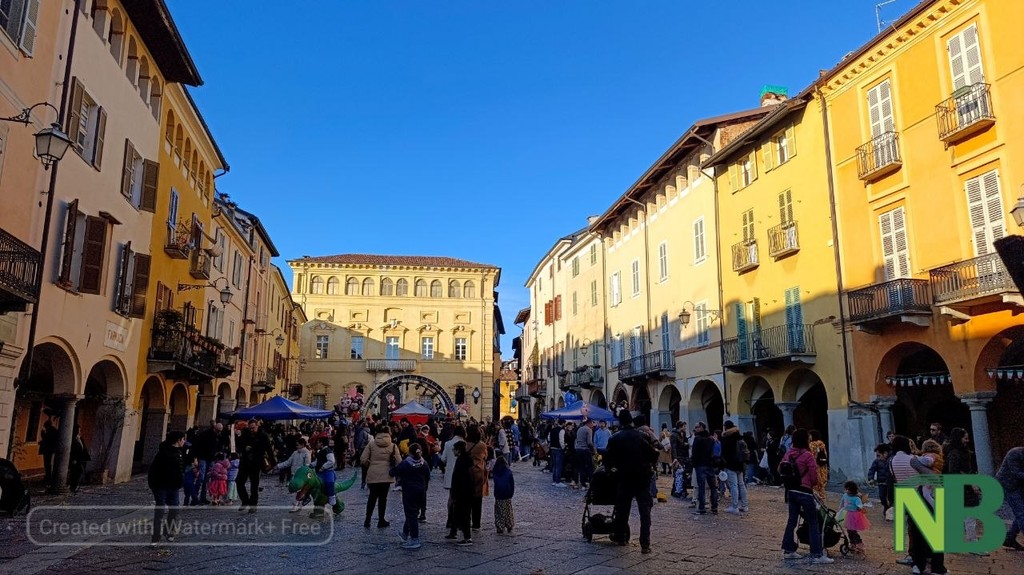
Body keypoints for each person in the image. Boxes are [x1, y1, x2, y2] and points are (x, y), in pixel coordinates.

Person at [604, 410, 659, 554]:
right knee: (644, 510)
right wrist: (649, 465)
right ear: (631, 420)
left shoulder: (615, 438)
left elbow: (608, 459)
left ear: (620, 422)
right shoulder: (642, 436)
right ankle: (645, 544)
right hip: (642, 476)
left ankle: (620, 537)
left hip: (624, 477)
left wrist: (612, 471)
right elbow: (654, 453)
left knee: (622, 509)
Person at [891, 434, 945, 574]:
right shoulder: (913, 459)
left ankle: (917, 564)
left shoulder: (892, 461)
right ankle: (936, 566)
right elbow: (931, 476)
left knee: (915, 534)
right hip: (921, 497)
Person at [779, 428, 833, 565]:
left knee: (792, 521)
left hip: (791, 491)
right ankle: (816, 554)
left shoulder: (788, 453)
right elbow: (814, 477)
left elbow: (780, 469)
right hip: (805, 491)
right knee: (813, 522)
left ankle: (788, 550)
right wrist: (811, 483)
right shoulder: (808, 455)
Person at [361, 422, 401, 529]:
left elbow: (363, 459)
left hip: (373, 473)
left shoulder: (371, 444)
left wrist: (371, 465)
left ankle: (367, 520)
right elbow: (399, 461)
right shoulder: (393, 446)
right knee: (383, 498)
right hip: (386, 475)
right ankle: (381, 520)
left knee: (372, 497)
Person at [148, 431, 185, 544]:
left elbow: (179, 470)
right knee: (160, 511)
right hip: (161, 486)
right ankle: (156, 537)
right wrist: (154, 486)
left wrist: (179, 482)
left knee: (174, 510)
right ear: (178, 440)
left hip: (173, 487)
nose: (184, 441)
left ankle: (167, 531)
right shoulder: (163, 453)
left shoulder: (178, 452)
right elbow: (153, 470)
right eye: (183, 439)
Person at [391, 442, 429, 549]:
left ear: (409, 452)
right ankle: (405, 533)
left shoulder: (406, 463)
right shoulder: (424, 463)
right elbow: (428, 476)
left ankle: (414, 539)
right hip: (421, 491)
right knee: (413, 513)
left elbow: (394, 472)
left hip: (409, 491)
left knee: (411, 514)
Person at [235, 419, 275, 514]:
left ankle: (253, 505)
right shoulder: (245, 433)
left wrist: (273, 463)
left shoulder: (263, 435)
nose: (251, 430)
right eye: (250, 428)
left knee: (254, 485)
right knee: (239, 482)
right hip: (245, 462)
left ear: (257, 426)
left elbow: (269, 449)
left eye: (253, 428)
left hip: (256, 463)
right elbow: (239, 446)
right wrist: (244, 447)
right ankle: (245, 500)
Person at [996, 446, 1024, 551]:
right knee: (1021, 513)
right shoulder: (1014, 453)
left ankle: (1010, 538)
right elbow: (1016, 472)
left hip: (1019, 486)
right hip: (1008, 485)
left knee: (1020, 513)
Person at [446, 441, 474, 545]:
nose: (453, 451)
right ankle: (458, 533)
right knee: (461, 513)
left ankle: (466, 537)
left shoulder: (461, 461)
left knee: (463, 514)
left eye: (454, 449)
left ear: (458, 450)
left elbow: (458, 478)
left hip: (462, 492)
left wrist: (454, 493)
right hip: (466, 492)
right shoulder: (466, 460)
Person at [274, 436, 312, 511]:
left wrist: (305, 474)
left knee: (298, 490)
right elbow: (288, 462)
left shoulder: (307, 453)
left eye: (298, 445)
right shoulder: (295, 453)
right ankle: (302, 501)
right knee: (296, 490)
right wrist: (278, 466)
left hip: (301, 475)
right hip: (294, 474)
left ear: (302, 445)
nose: (296, 446)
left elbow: (307, 465)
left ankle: (296, 504)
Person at [720, 420, 748, 514]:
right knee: (741, 485)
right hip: (740, 464)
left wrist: (723, 463)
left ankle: (735, 506)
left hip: (730, 464)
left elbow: (724, 452)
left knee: (733, 486)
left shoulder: (726, 438)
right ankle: (744, 505)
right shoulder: (739, 436)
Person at [465, 425, 489, 530]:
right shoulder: (482, 445)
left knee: (467, 499)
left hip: (467, 472)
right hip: (479, 472)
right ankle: (476, 523)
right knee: (478, 500)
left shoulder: (465, 444)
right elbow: (485, 456)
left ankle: (466, 520)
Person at [690, 422, 717, 515]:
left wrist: (694, 464)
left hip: (700, 465)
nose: (695, 428)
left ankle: (702, 507)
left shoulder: (697, 438)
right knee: (713, 487)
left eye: (697, 427)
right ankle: (714, 507)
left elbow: (694, 453)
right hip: (710, 465)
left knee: (701, 487)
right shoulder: (711, 439)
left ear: (701, 427)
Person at [310, 436, 338, 518]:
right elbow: (317, 461)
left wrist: (323, 467)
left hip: (327, 471)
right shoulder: (320, 451)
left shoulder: (328, 451)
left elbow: (331, 461)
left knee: (329, 482)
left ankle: (332, 497)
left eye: (318, 442)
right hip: (319, 472)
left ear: (321, 443)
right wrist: (310, 465)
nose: (317, 444)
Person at [840, 480, 870, 554]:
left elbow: (859, 505)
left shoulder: (856, 498)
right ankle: (853, 543)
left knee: (852, 531)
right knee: (850, 531)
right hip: (847, 514)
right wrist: (840, 510)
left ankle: (859, 544)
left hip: (854, 516)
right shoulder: (845, 495)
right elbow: (842, 503)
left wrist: (860, 508)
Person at [867, 443, 892, 520]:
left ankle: (890, 510)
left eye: (879, 455)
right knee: (882, 496)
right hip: (881, 482)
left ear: (885, 454)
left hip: (890, 483)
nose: (878, 457)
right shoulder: (877, 461)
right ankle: (885, 506)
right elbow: (872, 470)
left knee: (891, 497)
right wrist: (870, 478)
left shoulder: (891, 460)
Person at [492, 454, 515, 534]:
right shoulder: (508, 472)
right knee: (508, 511)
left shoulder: (496, 472)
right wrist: (511, 493)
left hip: (499, 494)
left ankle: (500, 526)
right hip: (507, 494)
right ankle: (509, 525)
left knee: (499, 511)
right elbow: (512, 484)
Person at [669, 421, 691, 500]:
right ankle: (676, 491)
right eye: (684, 426)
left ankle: (679, 490)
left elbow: (682, 443)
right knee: (678, 474)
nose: (685, 428)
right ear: (680, 427)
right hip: (678, 457)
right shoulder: (674, 435)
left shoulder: (682, 434)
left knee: (681, 473)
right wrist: (675, 458)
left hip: (683, 456)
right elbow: (673, 448)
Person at [574, 418, 597, 489]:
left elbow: (576, 440)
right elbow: (589, 442)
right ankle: (591, 482)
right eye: (592, 423)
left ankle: (583, 483)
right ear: (589, 423)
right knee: (590, 467)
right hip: (585, 449)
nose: (593, 425)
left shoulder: (579, 429)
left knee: (581, 467)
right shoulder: (588, 429)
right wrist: (594, 451)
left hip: (578, 449)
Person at [68, 425, 89, 493]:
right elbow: (72, 449)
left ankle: (75, 485)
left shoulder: (80, 438)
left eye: (80, 430)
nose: (79, 431)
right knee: (75, 472)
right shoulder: (72, 439)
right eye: (78, 430)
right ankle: (73, 486)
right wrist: (73, 459)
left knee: (79, 471)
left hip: (81, 458)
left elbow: (83, 447)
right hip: (75, 459)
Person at [808, 429, 828, 500]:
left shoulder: (811, 445)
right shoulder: (822, 444)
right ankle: (821, 498)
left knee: (814, 485)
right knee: (821, 485)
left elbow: (810, 456)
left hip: (814, 467)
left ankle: (816, 500)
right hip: (822, 467)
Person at [39, 419, 58, 486]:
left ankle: (48, 477)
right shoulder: (53, 430)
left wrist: (43, 434)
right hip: (50, 450)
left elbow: (47, 440)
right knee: (48, 464)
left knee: (48, 464)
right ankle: (48, 477)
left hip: (49, 450)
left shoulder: (51, 431)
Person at [548, 420, 566, 487]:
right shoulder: (561, 430)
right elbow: (561, 440)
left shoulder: (552, 430)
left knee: (555, 465)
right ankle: (558, 481)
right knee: (558, 466)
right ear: (563, 423)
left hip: (552, 448)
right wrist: (563, 447)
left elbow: (548, 438)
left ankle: (554, 480)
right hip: (558, 449)